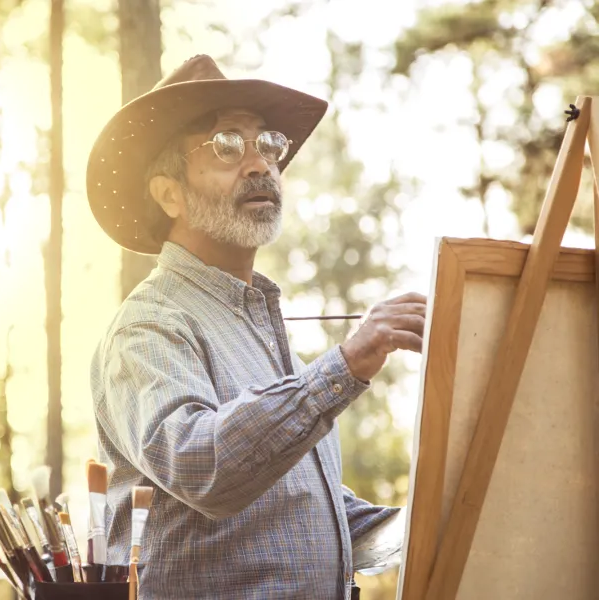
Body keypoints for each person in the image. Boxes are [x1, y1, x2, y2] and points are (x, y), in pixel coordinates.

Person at [86, 54, 426, 599]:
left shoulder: (259, 329)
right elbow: (202, 467)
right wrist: (344, 366)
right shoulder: (148, 325)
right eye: (226, 145)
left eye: (268, 144)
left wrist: (449, 512)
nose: (259, 164)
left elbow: (297, 506)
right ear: (169, 192)